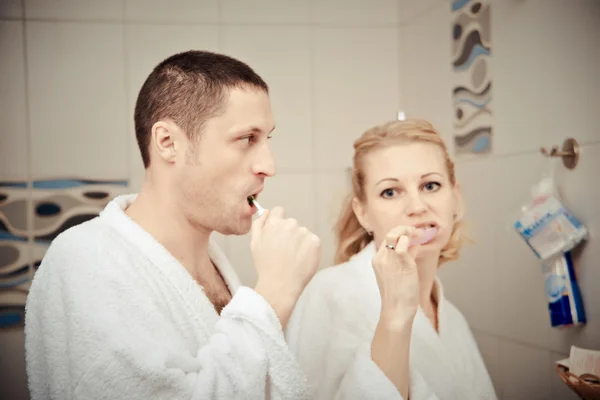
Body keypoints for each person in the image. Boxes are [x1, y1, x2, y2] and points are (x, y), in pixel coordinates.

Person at [24, 50, 321, 400]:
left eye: (266, 139)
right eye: (246, 139)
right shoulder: (84, 261)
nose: (268, 166)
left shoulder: (216, 269)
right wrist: (275, 293)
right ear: (168, 143)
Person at [285, 119, 497, 400]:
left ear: (455, 198)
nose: (417, 207)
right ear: (363, 213)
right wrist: (395, 319)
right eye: (390, 192)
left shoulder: (452, 319)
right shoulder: (328, 296)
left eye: (431, 185)